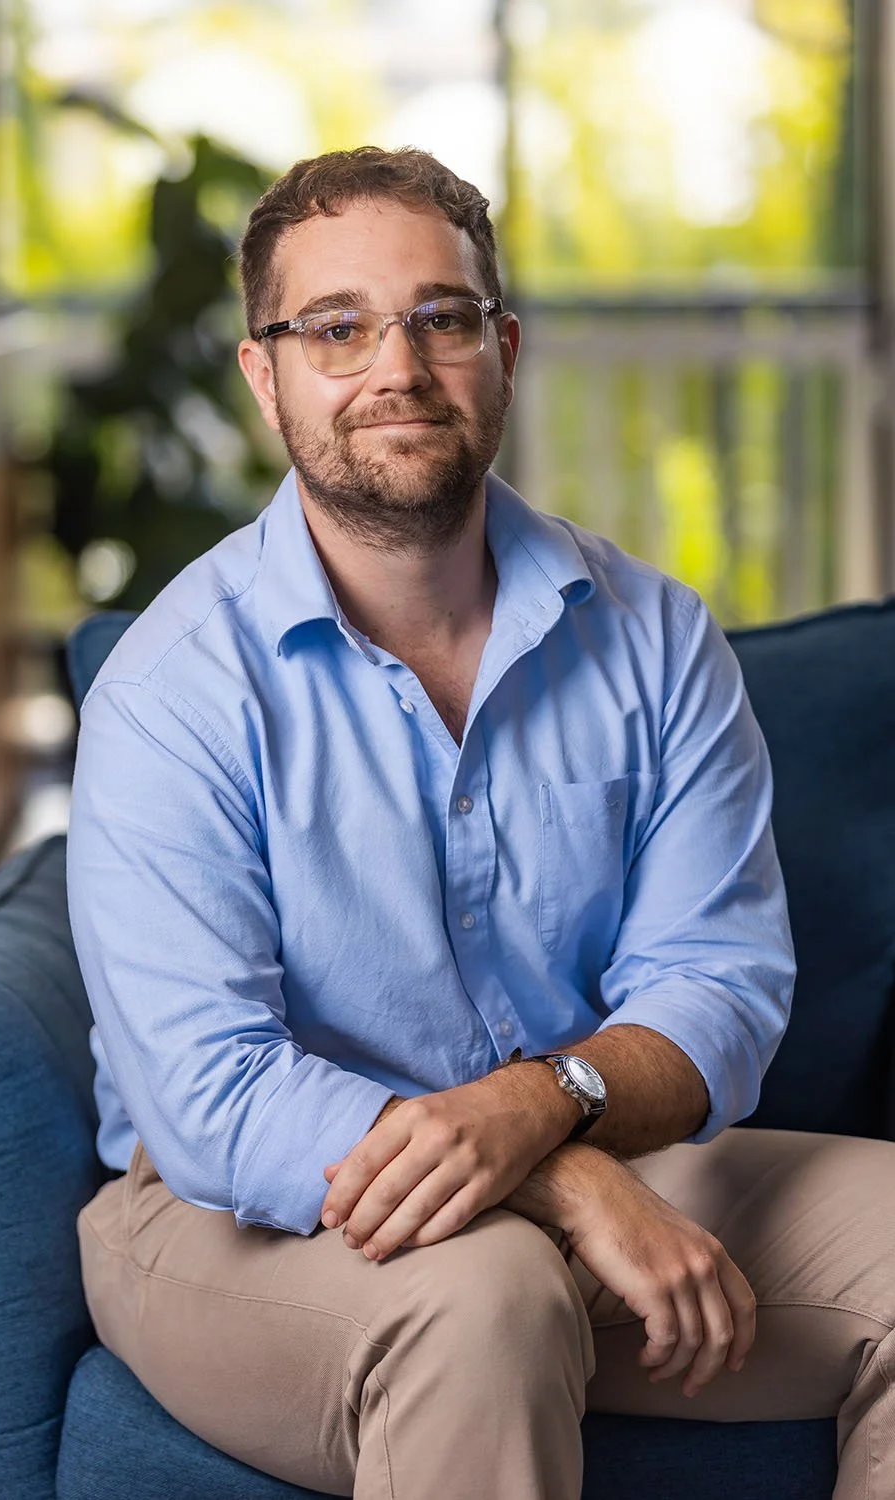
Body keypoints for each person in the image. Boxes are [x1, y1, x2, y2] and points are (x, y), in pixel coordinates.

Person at [68, 146, 895, 1500]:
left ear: (502, 350)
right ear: (264, 376)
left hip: (603, 1154)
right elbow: (217, 1100)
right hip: (244, 1212)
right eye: (335, 328)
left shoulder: (658, 641)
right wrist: (556, 1172)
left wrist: (546, 1112)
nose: (396, 365)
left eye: (440, 318)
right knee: (489, 1292)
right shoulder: (174, 691)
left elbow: (721, 989)